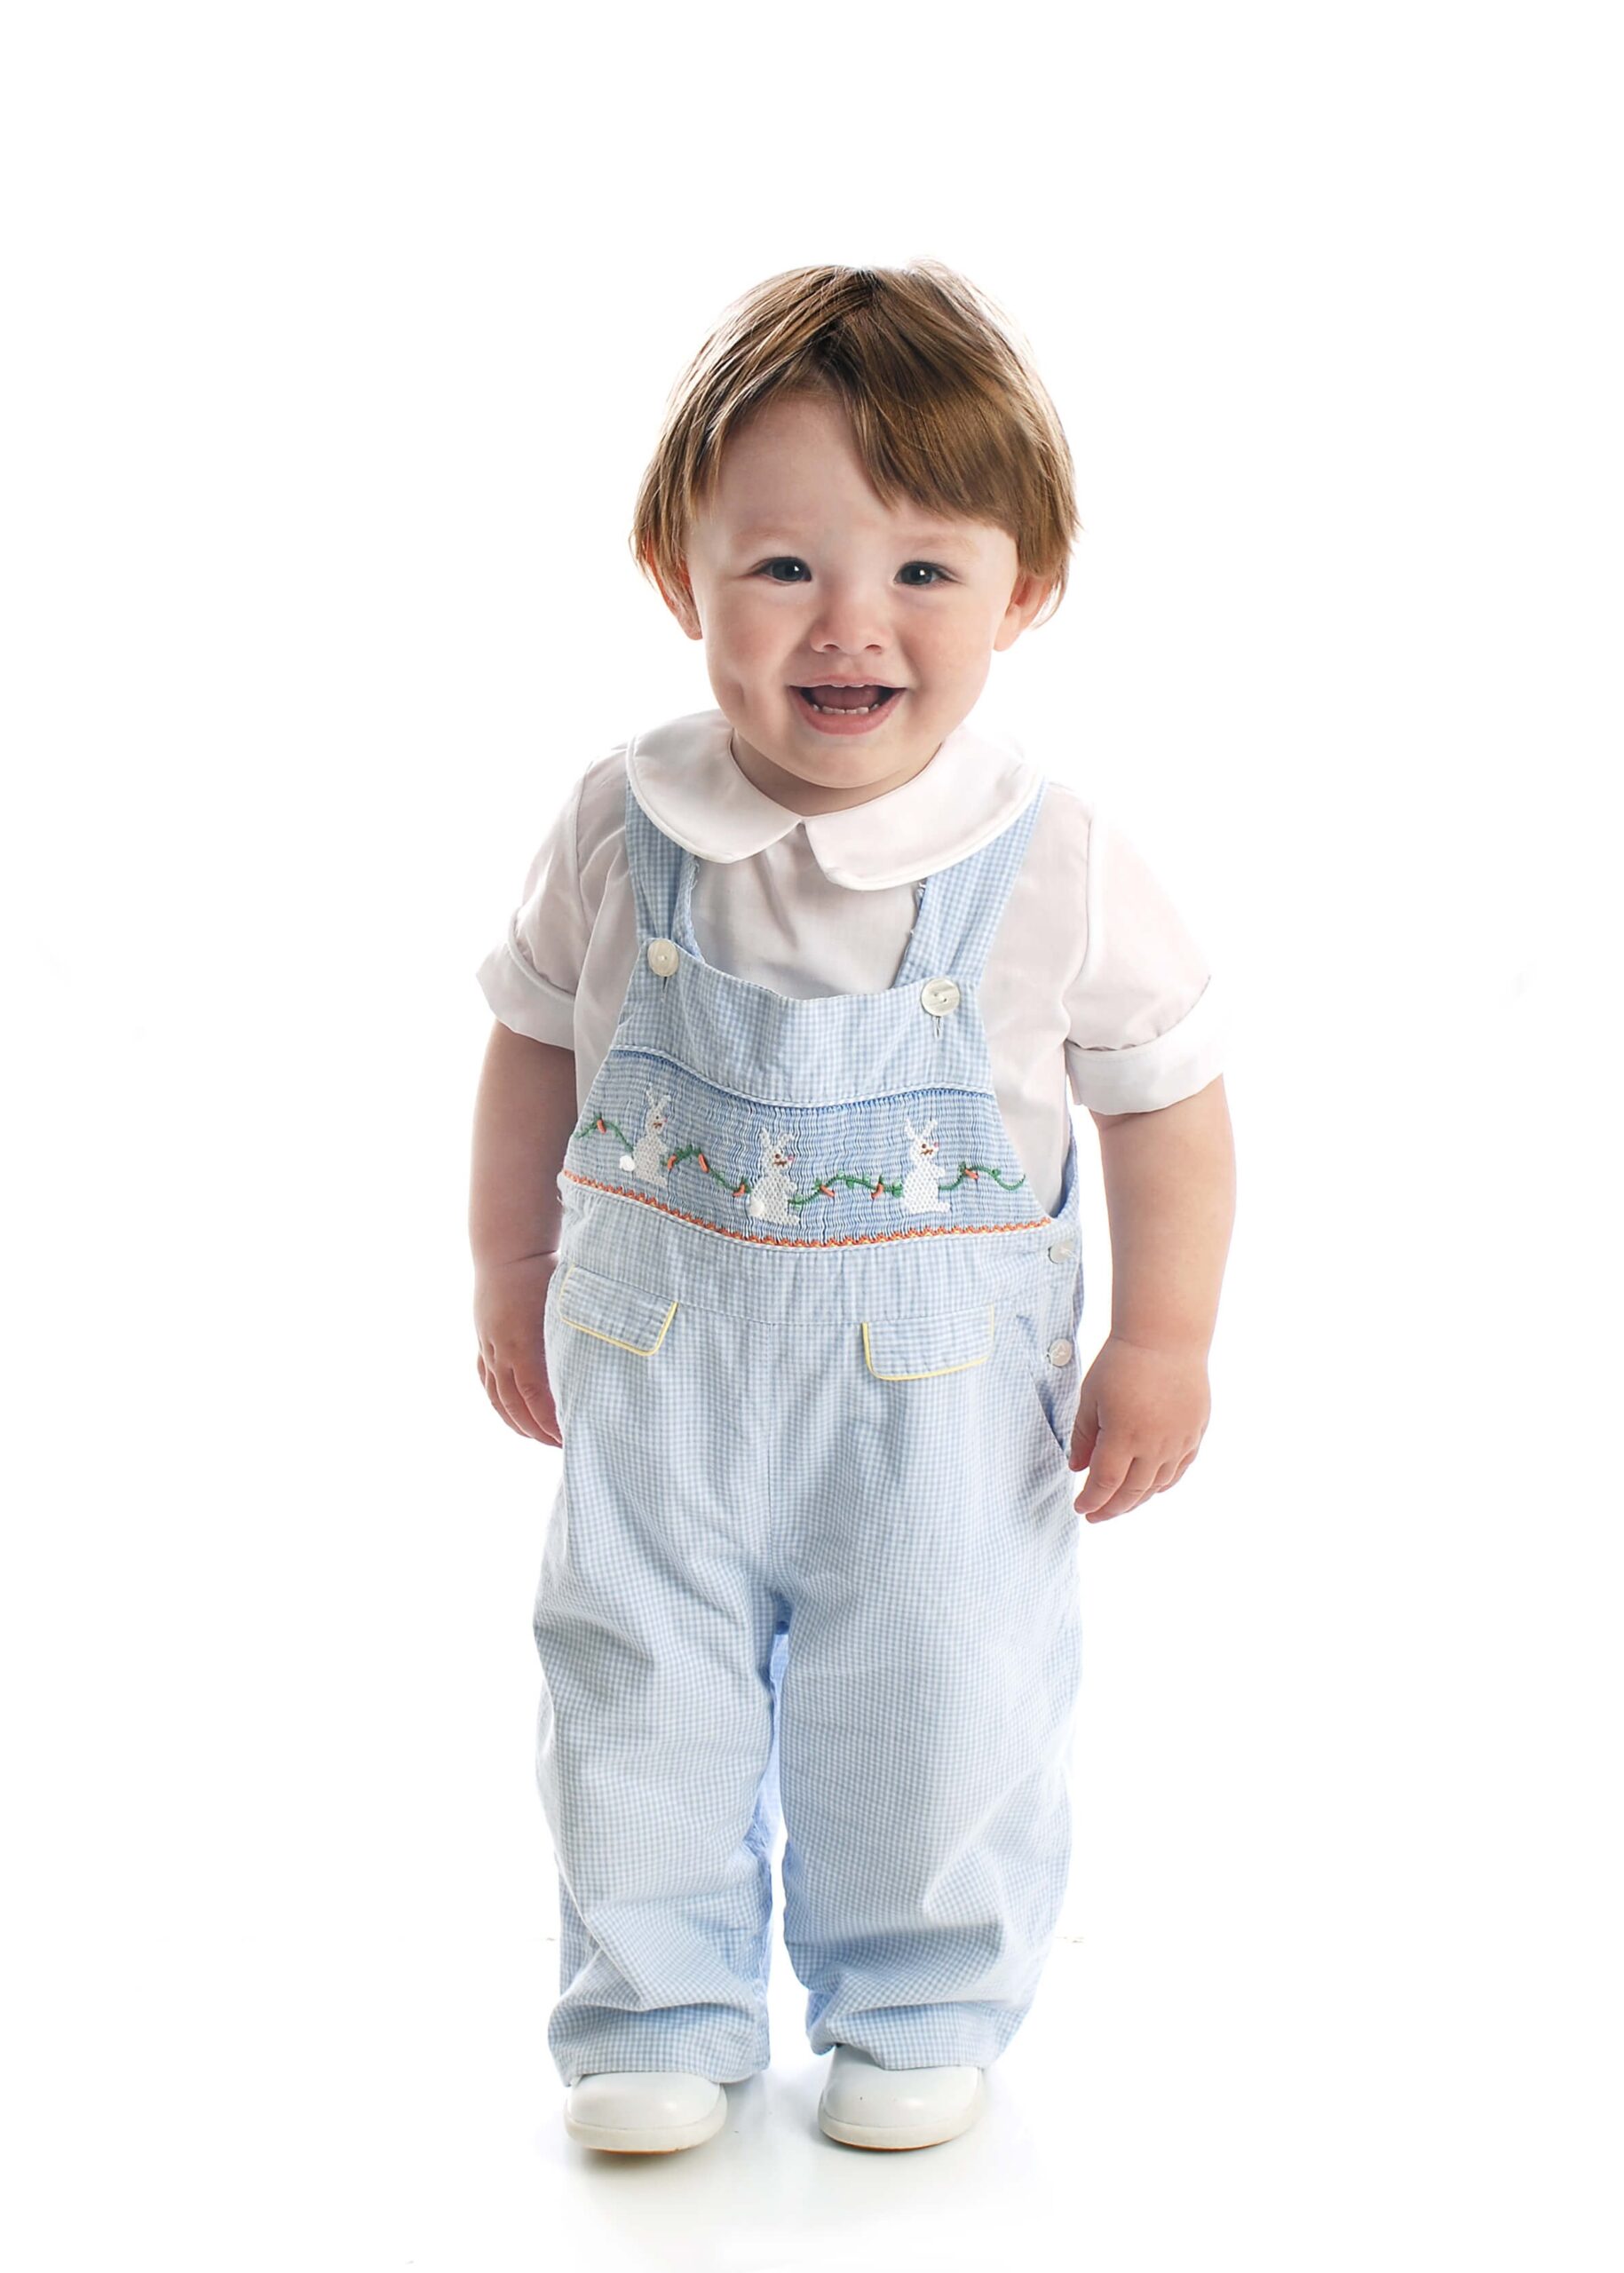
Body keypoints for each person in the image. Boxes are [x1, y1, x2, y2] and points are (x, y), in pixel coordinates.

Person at [468, 260, 1237, 2157]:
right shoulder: (620, 822)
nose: (850, 621)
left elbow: (1167, 1104)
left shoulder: (1050, 855)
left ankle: (918, 1997)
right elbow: (533, 1047)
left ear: (1021, 590)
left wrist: (1164, 1336)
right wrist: (507, 1264)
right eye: (785, 564)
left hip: (943, 1417)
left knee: (948, 1701)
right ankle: (656, 2003)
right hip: (659, 1382)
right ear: (682, 576)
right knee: (635, 1692)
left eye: (920, 568)